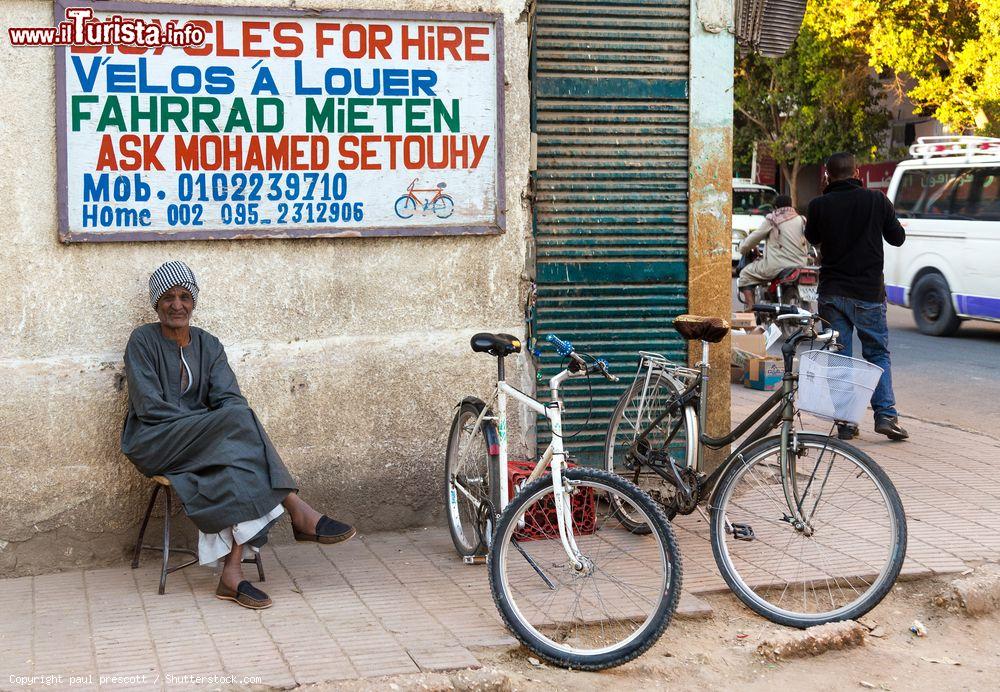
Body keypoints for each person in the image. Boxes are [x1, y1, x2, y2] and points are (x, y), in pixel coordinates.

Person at [122, 260, 356, 609]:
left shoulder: (208, 344)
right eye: (168, 297)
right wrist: (208, 426)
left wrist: (211, 429)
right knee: (237, 421)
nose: (177, 305)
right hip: (156, 440)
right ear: (156, 304)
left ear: (194, 302)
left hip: (211, 443)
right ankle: (295, 505)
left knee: (236, 464)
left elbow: (230, 397)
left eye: (185, 296)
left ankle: (231, 575)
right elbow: (149, 406)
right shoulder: (142, 340)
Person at [804, 153, 908, 441]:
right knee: (876, 353)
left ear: (827, 175)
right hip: (869, 293)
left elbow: (812, 238)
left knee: (840, 357)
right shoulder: (876, 201)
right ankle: (886, 415)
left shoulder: (818, 205)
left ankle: (847, 423)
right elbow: (897, 238)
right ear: (857, 172)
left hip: (833, 293)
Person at [737, 194, 810, 308]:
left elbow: (754, 238)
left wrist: (742, 247)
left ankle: (750, 311)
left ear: (776, 207)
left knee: (745, 274)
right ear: (791, 206)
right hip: (801, 264)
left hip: (778, 265)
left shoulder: (773, 219)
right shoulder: (801, 219)